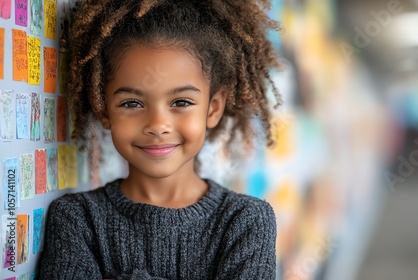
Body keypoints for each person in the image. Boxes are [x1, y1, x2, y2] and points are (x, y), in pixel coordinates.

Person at [37, 0, 282, 279]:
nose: (157, 125)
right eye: (131, 103)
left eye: (181, 101)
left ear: (213, 108)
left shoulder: (245, 221)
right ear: (103, 109)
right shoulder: (77, 219)